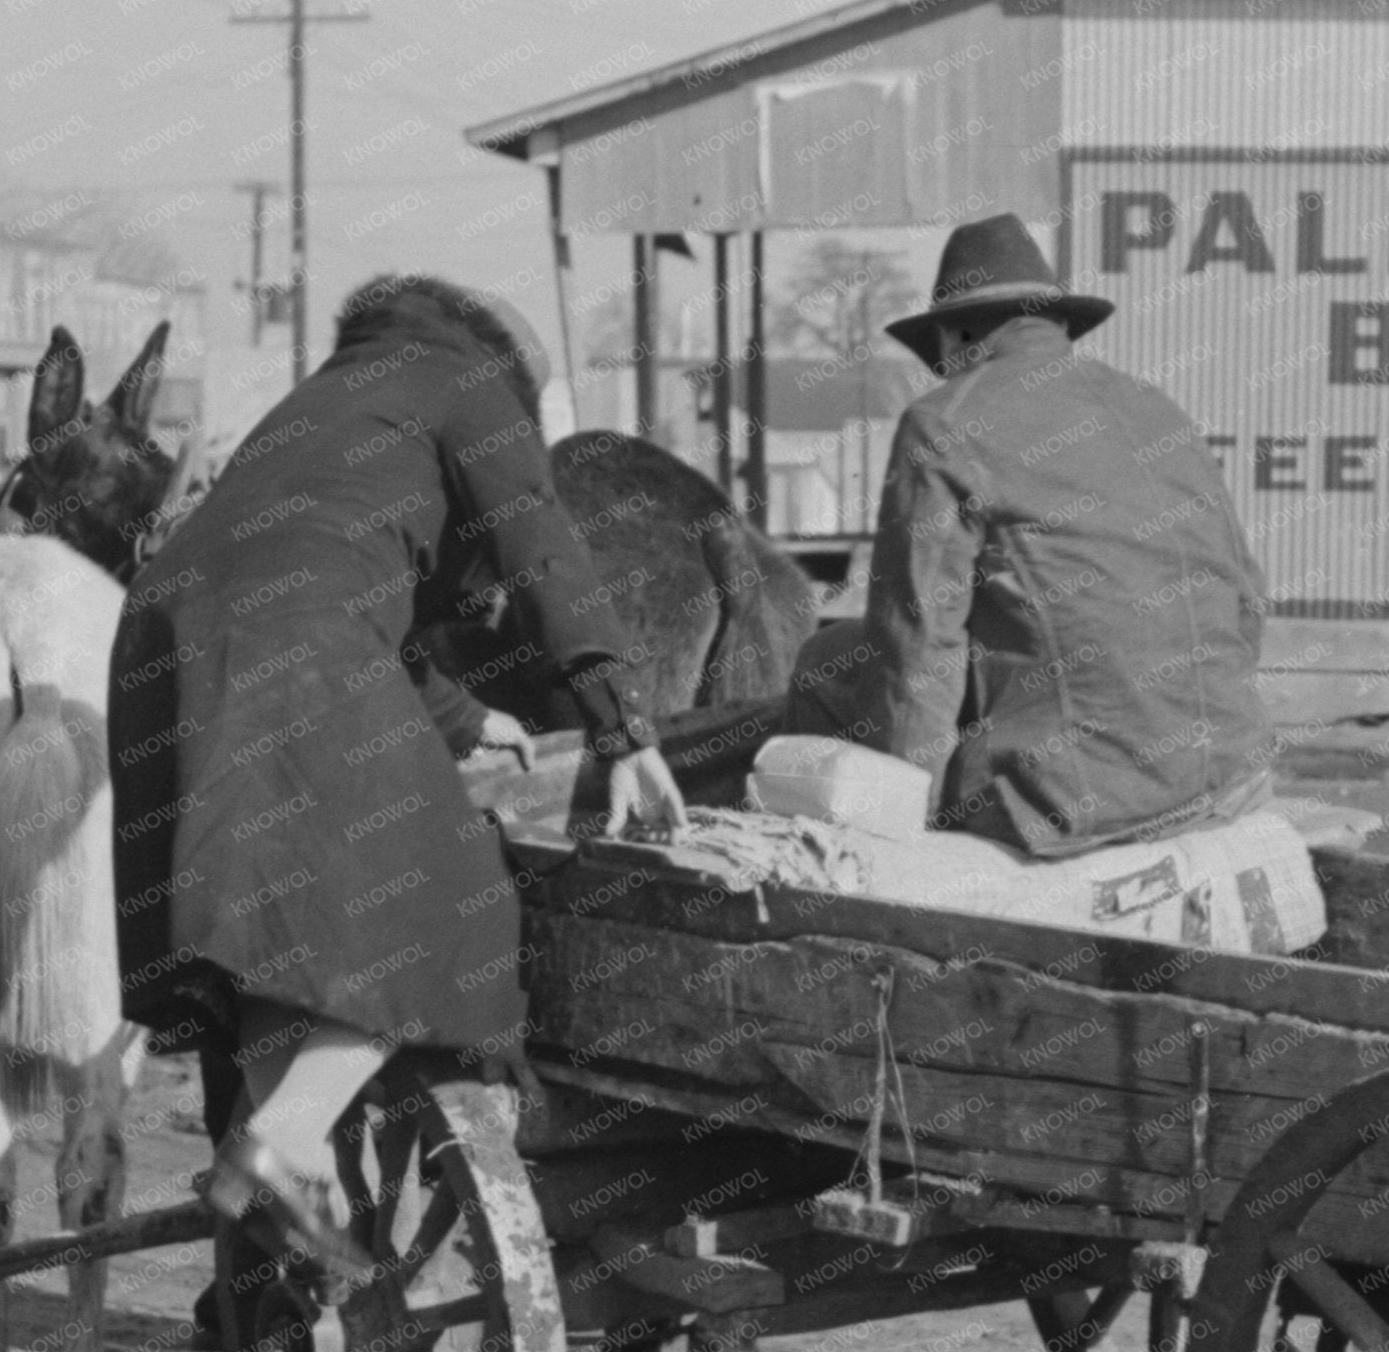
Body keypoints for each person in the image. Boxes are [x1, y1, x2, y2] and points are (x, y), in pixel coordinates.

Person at [109, 274, 682, 1278]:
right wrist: (621, 724)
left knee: (273, 931)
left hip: (161, 640)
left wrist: (473, 720)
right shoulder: (471, 388)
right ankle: (283, 1143)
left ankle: (301, 1176)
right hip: (291, 637)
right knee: (452, 897)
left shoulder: (334, 395)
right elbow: (541, 547)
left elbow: (321, 565)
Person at [786, 213, 1273, 858]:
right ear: (1058, 325)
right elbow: (1245, 597)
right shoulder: (1156, 406)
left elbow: (919, 641)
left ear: (958, 335)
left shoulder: (944, 422)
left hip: (1071, 798)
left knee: (828, 660)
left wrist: (903, 822)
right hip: (1232, 764)